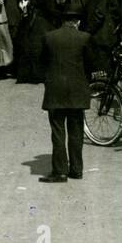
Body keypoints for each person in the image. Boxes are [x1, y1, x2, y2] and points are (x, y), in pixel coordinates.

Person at [38, 10, 96, 183]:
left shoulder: (49, 37)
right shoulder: (84, 38)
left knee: (57, 131)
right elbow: (91, 64)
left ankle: (60, 171)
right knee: (76, 132)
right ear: (77, 21)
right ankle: (77, 169)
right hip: (77, 92)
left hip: (55, 90)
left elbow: (42, 62)